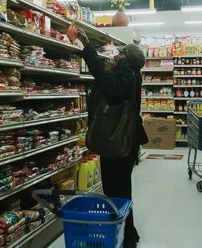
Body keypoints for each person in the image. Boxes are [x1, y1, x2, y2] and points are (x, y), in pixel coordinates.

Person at [69, 28, 148, 248]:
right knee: (119, 191)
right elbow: (105, 77)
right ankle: (128, 233)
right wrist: (87, 46)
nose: (114, 57)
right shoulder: (129, 75)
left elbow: (105, 81)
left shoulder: (126, 78)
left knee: (117, 193)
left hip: (118, 144)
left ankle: (125, 239)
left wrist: (87, 49)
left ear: (126, 60)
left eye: (119, 55)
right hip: (122, 143)